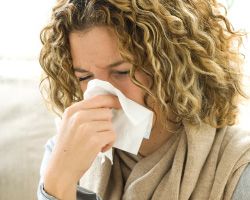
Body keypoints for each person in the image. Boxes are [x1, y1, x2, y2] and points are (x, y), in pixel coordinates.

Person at [37, 0, 250, 199]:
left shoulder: (237, 167)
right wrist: (59, 182)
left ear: (173, 65)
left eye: (121, 72)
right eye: (85, 77)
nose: (101, 94)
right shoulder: (63, 153)